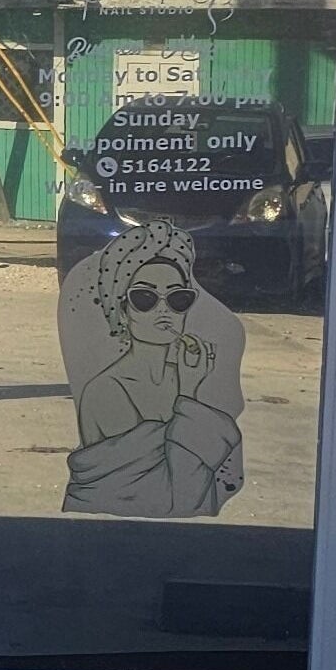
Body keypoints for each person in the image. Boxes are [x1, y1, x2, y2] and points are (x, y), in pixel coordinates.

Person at [65, 221, 241, 517]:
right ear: (122, 309)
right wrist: (189, 397)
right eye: (145, 298)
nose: (164, 310)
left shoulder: (186, 377)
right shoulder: (106, 391)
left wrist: (190, 390)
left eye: (178, 299)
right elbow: (172, 494)